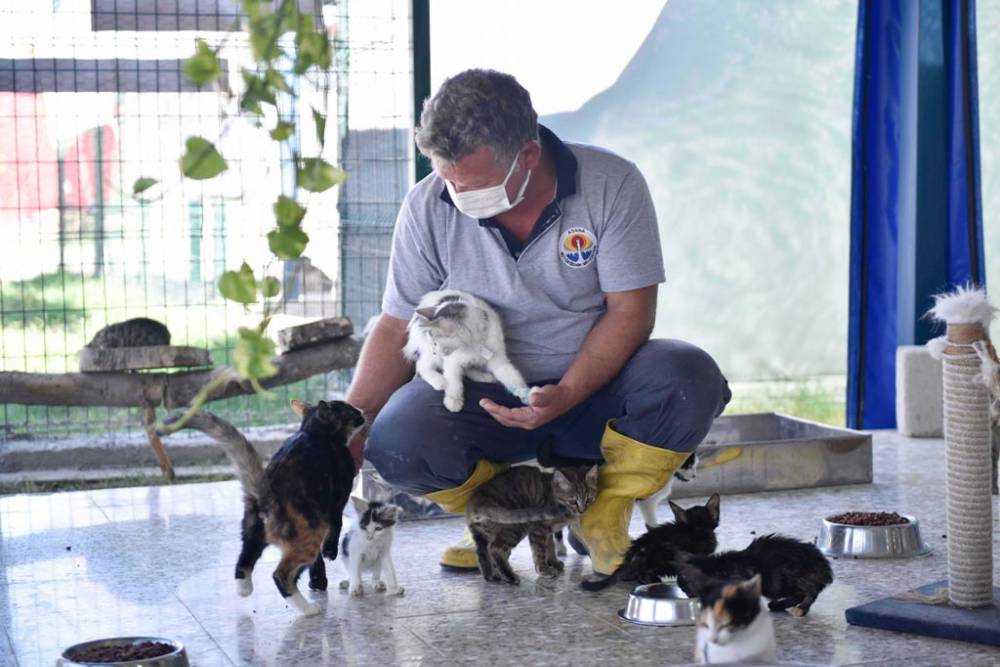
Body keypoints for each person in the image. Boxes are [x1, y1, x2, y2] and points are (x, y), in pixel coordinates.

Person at [344, 69, 730, 578]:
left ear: (527, 155)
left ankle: (602, 511)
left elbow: (631, 313)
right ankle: (493, 513)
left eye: (473, 183)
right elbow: (397, 325)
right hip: (485, 399)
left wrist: (568, 392)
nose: (457, 193)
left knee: (688, 377)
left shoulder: (611, 184)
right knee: (397, 441)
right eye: (447, 177)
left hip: (596, 389)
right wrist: (347, 424)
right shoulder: (426, 206)